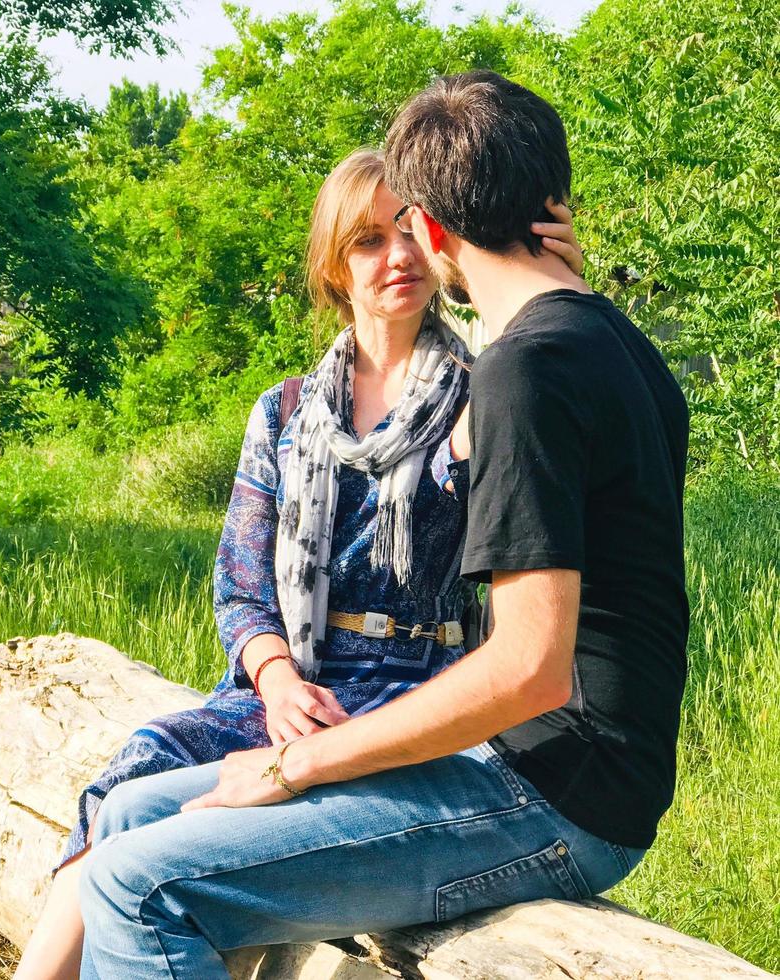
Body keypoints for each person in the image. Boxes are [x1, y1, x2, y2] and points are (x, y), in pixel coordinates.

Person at [71, 70, 689, 978]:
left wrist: (289, 770)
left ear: (431, 230)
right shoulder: (613, 340)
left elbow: (530, 670)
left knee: (139, 883)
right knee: (131, 815)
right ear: (551, 197)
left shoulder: (524, 372)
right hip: (544, 767)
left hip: (557, 796)